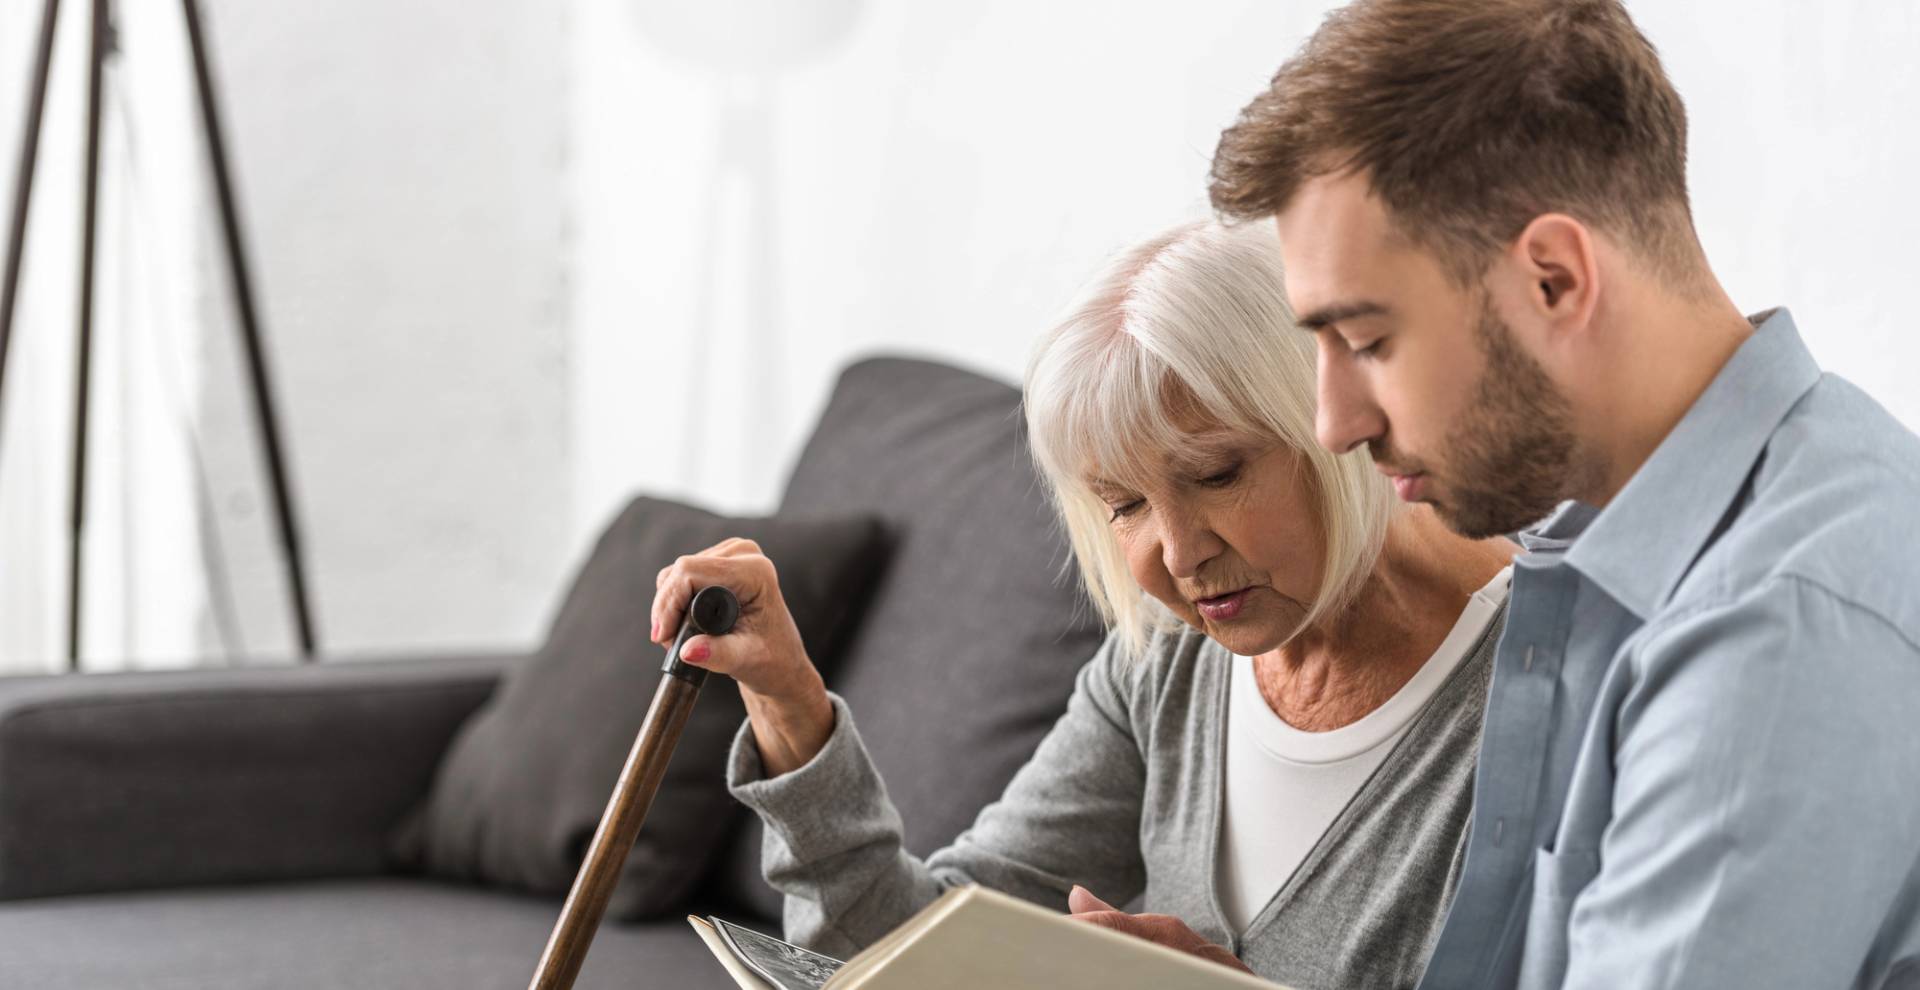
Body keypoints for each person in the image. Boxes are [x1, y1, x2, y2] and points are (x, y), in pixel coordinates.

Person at [1208, 1, 1920, 987]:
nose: (1334, 423)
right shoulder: (1616, 543)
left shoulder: (1775, 631)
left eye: (1367, 341)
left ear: (1553, 279)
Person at [649, 220, 1516, 988]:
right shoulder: (1167, 665)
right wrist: (787, 701)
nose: (1180, 556)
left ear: (1331, 415)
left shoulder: (1539, 694)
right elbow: (902, 956)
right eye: (1125, 504)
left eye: (1216, 474)